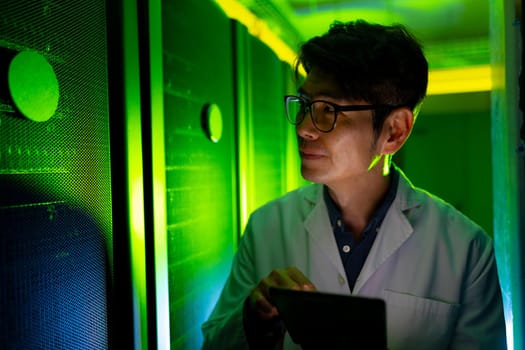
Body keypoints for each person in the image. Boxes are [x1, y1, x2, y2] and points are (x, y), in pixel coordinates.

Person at [201, 19, 507, 349]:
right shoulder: (266, 227)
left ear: (394, 131)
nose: (304, 127)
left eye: (328, 110)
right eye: (304, 105)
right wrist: (251, 322)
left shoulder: (466, 251)